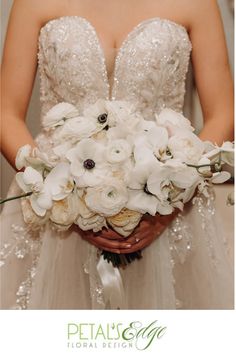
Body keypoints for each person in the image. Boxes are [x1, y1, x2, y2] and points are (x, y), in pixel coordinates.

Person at [0, 0, 234, 309]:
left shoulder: (198, 4)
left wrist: (172, 196)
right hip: (56, 216)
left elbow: (223, 113)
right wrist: (62, 197)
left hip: (169, 210)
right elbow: (5, 112)